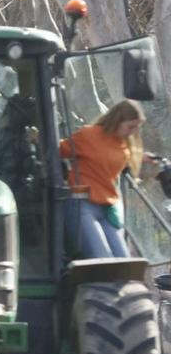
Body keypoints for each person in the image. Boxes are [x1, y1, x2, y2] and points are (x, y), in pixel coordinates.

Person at [59, 99, 145, 258]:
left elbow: (116, 160)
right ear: (118, 120)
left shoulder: (124, 145)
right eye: (131, 126)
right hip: (82, 204)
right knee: (103, 259)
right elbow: (59, 149)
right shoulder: (88, 135)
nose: (133, 132)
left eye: (137, 128)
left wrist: (148, 159)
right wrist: (36, 139)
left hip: (107, 207)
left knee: (124, 261)